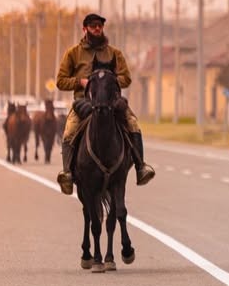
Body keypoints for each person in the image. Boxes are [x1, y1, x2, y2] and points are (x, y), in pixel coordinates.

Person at [55, 13, 155, 195]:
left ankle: (141, 167)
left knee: (132, 123)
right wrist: (80, 82)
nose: (97, 29)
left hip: (111, 101)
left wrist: (110, 81)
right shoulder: (73, 53)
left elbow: (126, 78)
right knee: (69, 130)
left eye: (99, 26)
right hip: (83, 103)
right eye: (93, 26)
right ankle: (68, 173)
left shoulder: (114, 53)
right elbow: (61, 81)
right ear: (85, 29)